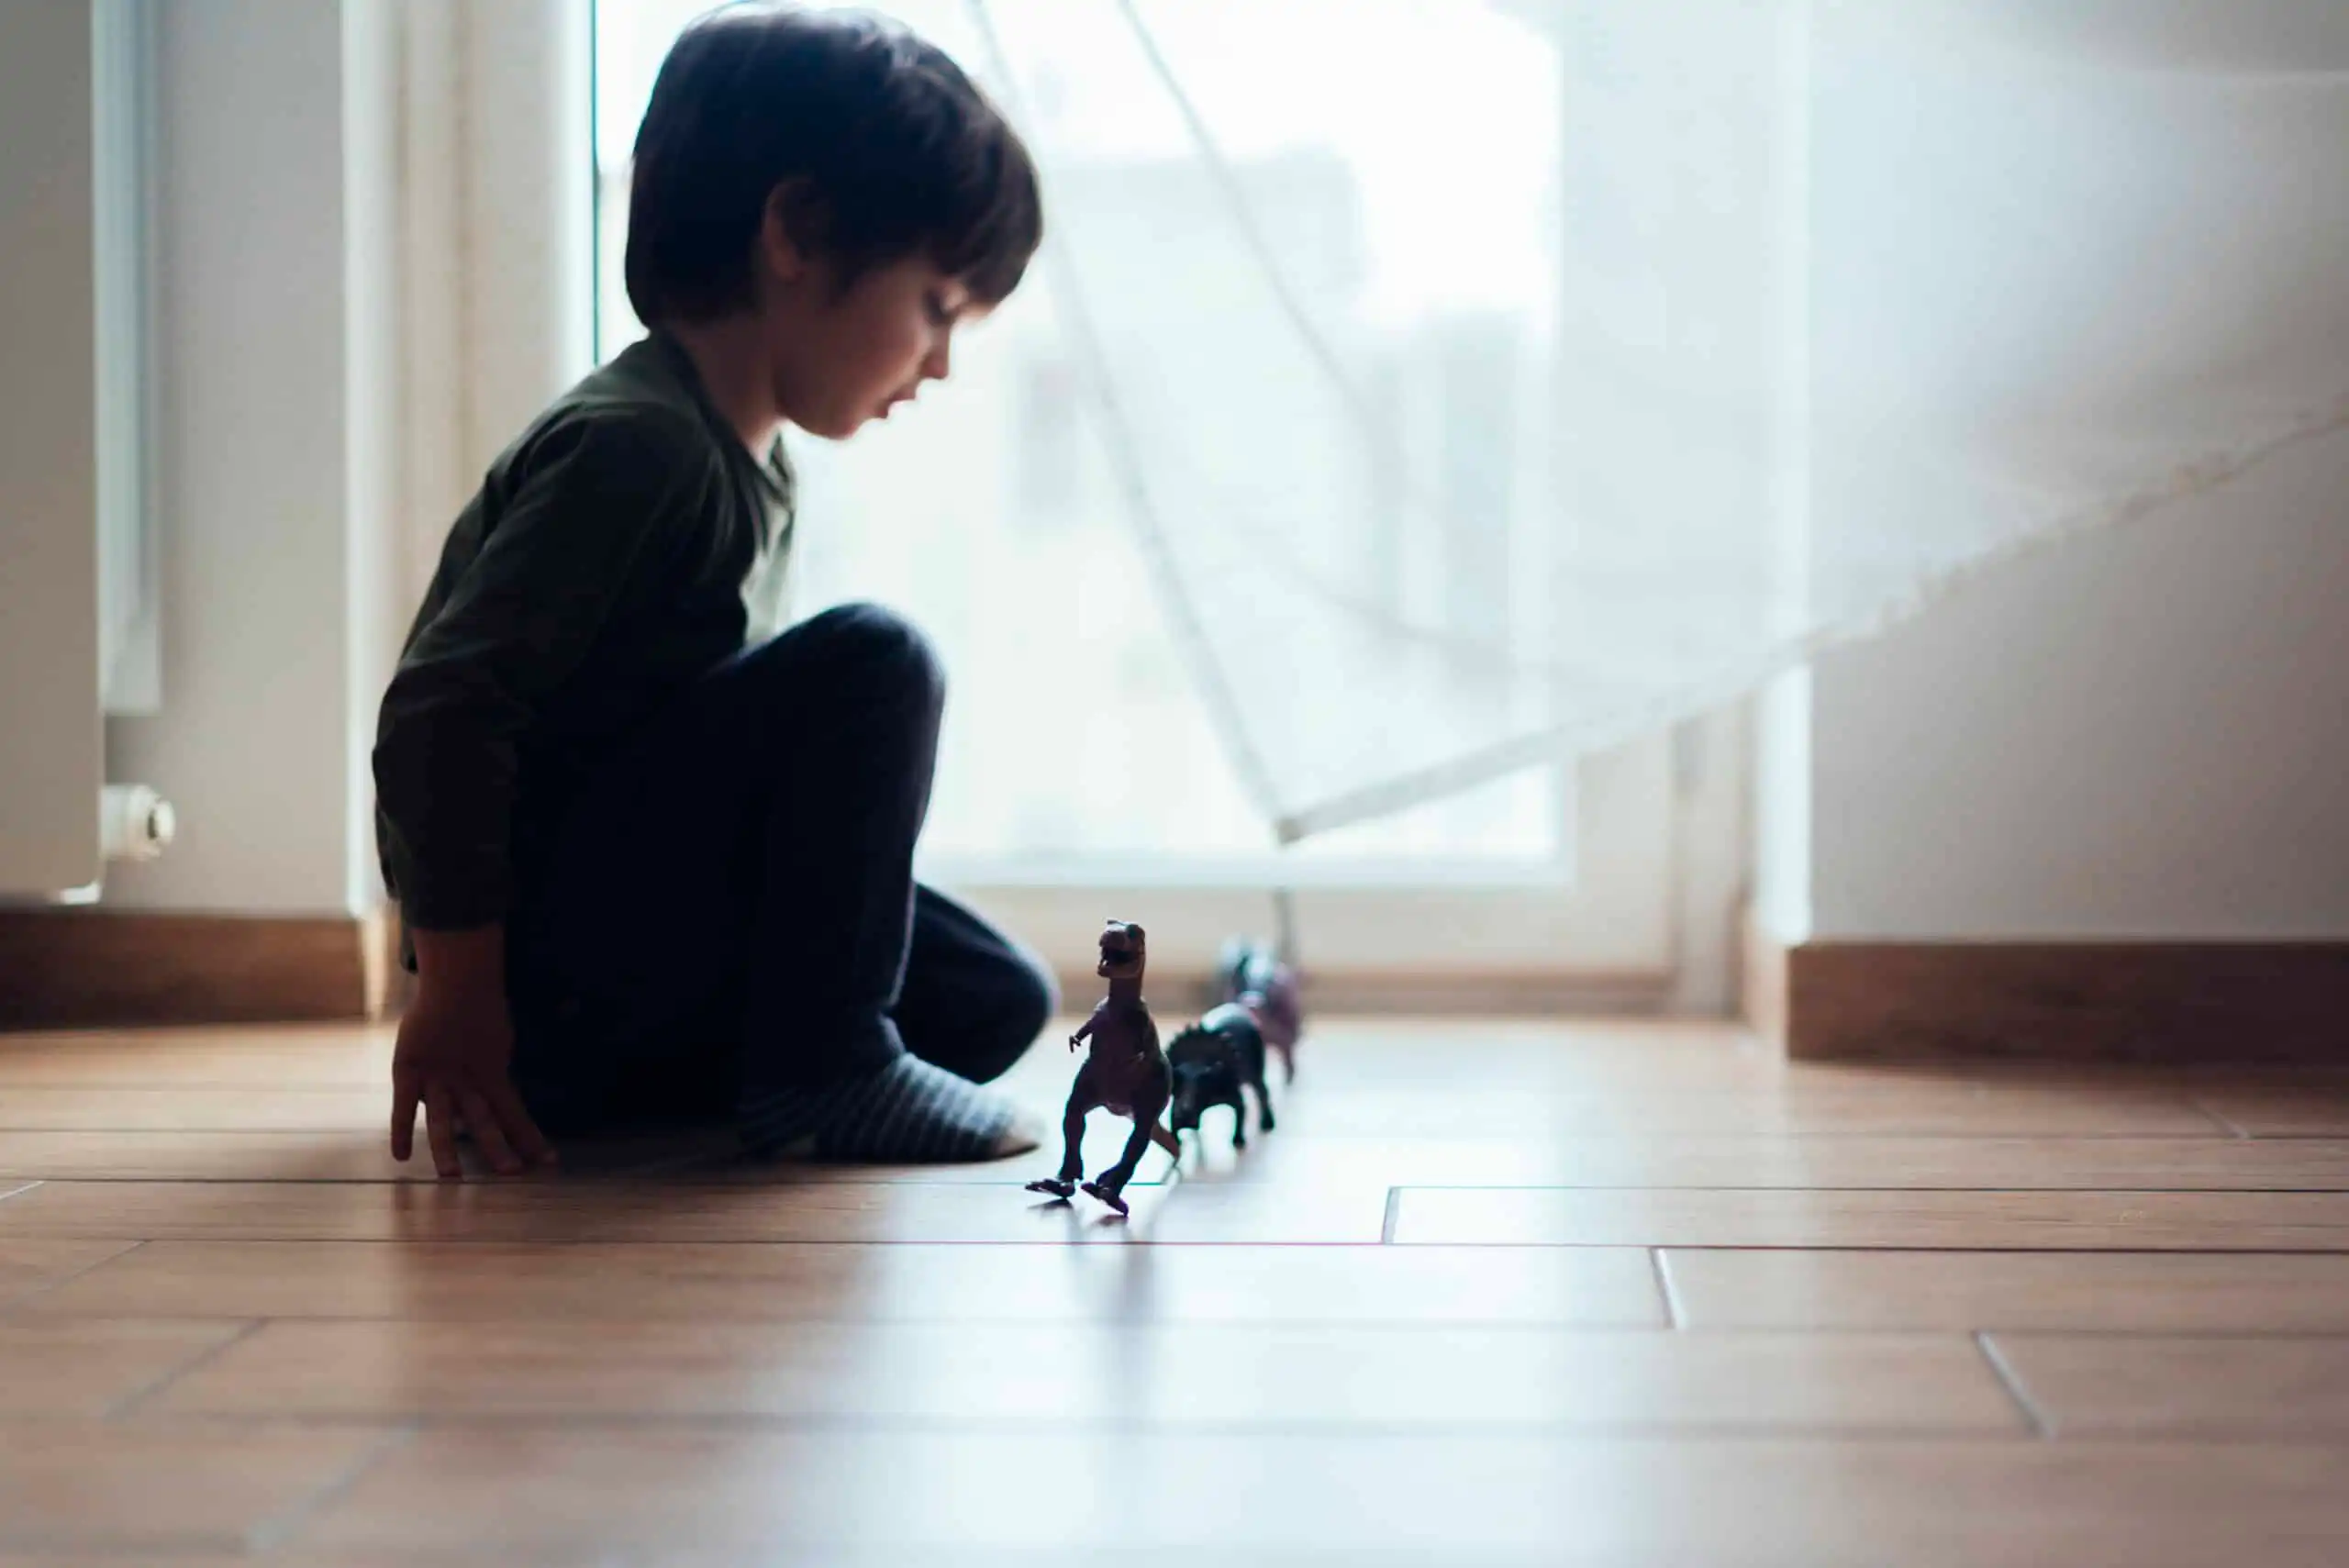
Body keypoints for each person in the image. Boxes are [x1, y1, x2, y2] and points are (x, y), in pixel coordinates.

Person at [372, 4, 1053, 1179]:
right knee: (877, 658)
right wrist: (461, 993)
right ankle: (821, 1070)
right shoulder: (640, 448)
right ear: (797, 232)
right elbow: (443, 711)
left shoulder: (750, 464)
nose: (941, 364)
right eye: (936, 309)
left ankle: (770, 1076)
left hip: (629, 950)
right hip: (540, 983)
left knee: (996, 996)